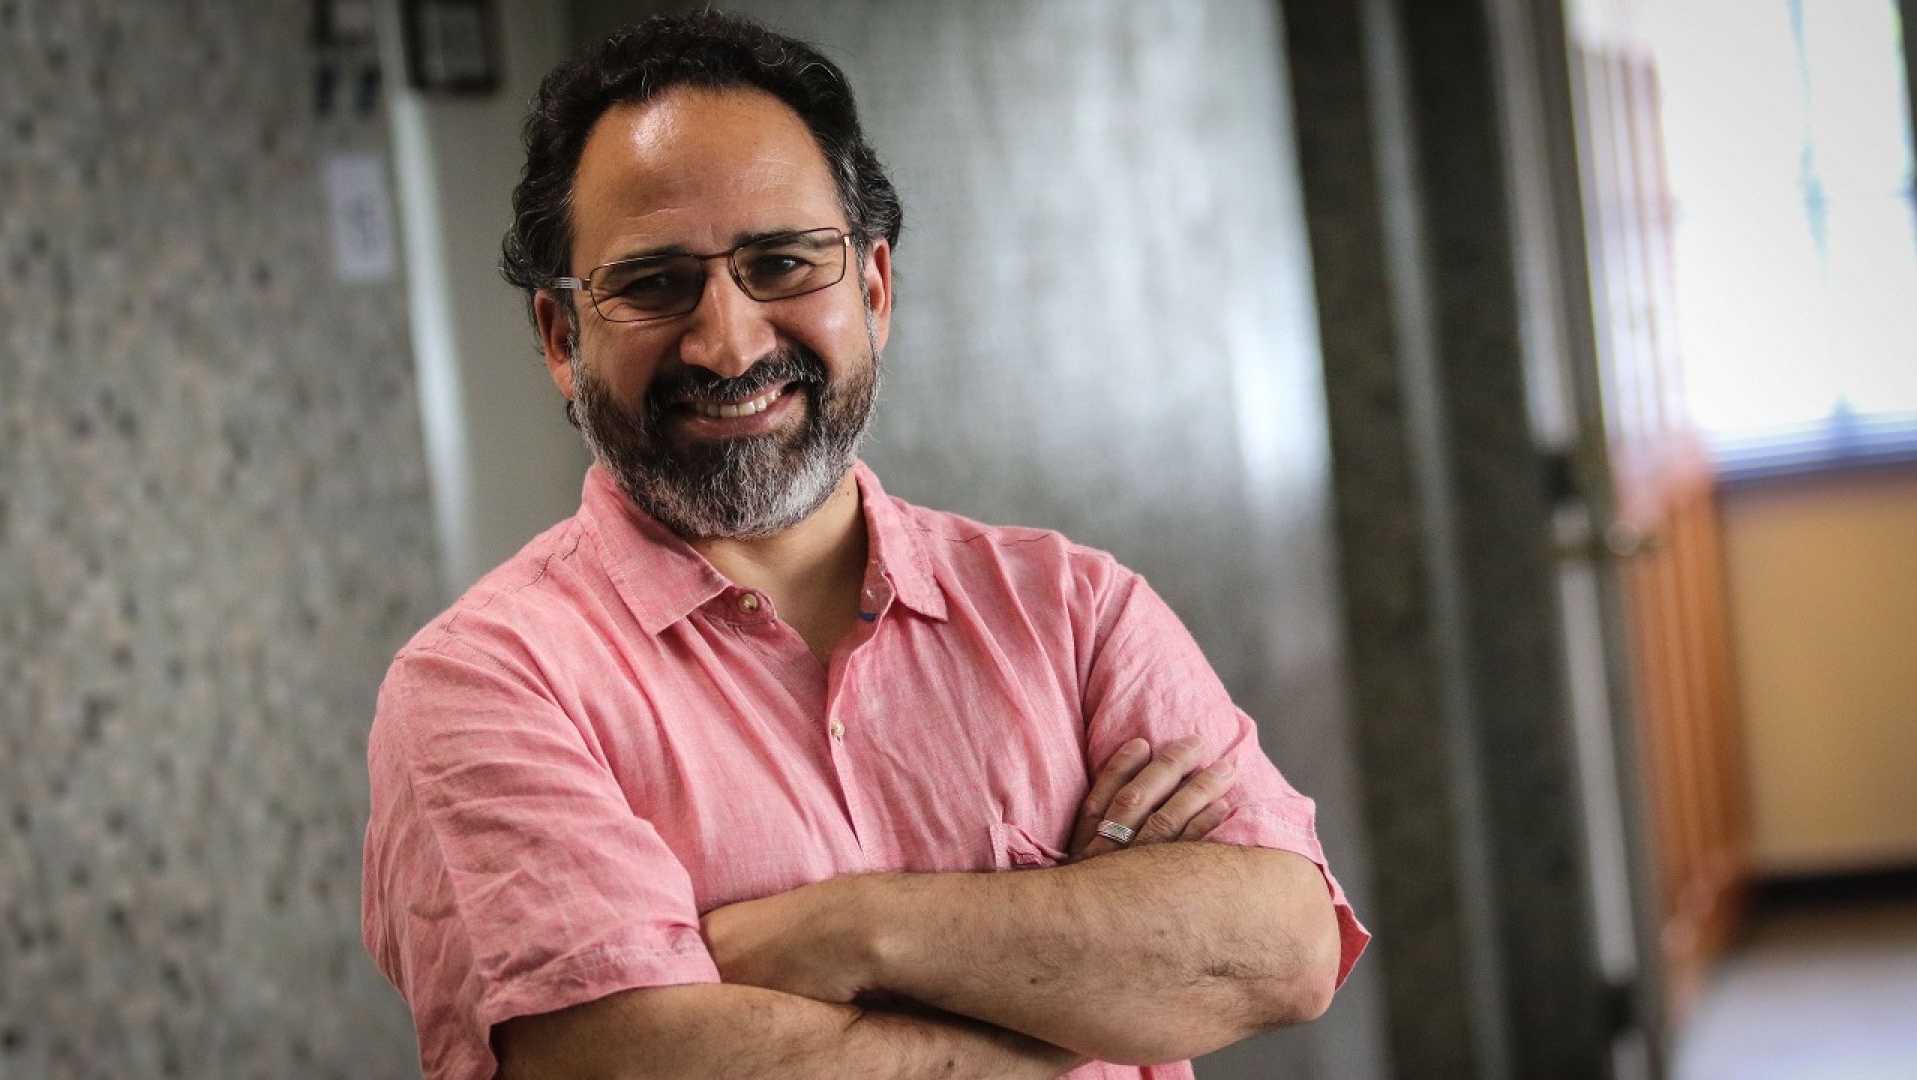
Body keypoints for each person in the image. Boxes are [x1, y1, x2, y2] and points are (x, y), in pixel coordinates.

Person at [361, 12, 1367, 1080]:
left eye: (782, 263)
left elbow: (1283, 951)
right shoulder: (482, 687)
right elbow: (626, 1064)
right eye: (653, 283)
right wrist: (1083, 984)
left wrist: (855, 932)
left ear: (874, 290)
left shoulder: (1073, 611)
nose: (728, 343)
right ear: (563, 338)